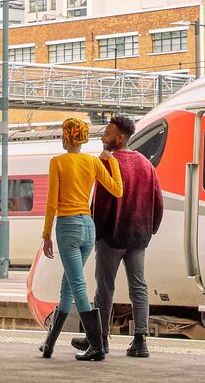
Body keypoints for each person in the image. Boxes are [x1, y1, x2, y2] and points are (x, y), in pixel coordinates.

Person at [70, 116, 162, 357]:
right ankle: (141, 340)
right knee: (139, 287)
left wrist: (96, 232)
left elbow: (100, 204)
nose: (103, 137)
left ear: (119, 137)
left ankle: (99, 340)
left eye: (108, 133)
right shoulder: (145, 164)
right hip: (138, 237)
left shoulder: (108, 163)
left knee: (104, 289)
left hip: (112, 235)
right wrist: (150, 229)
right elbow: (158, 201)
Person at [38, 118, 122, 361]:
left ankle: (97, 346)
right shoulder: (93, 162)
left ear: (66, 137)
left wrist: (46, 235)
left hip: (68, 227)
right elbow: (117, 189)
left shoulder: (58, 162)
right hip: (88, 227)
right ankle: (49, 345)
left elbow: (52, 202)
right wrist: (112, 161)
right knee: (68, 286)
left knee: (77, 286)